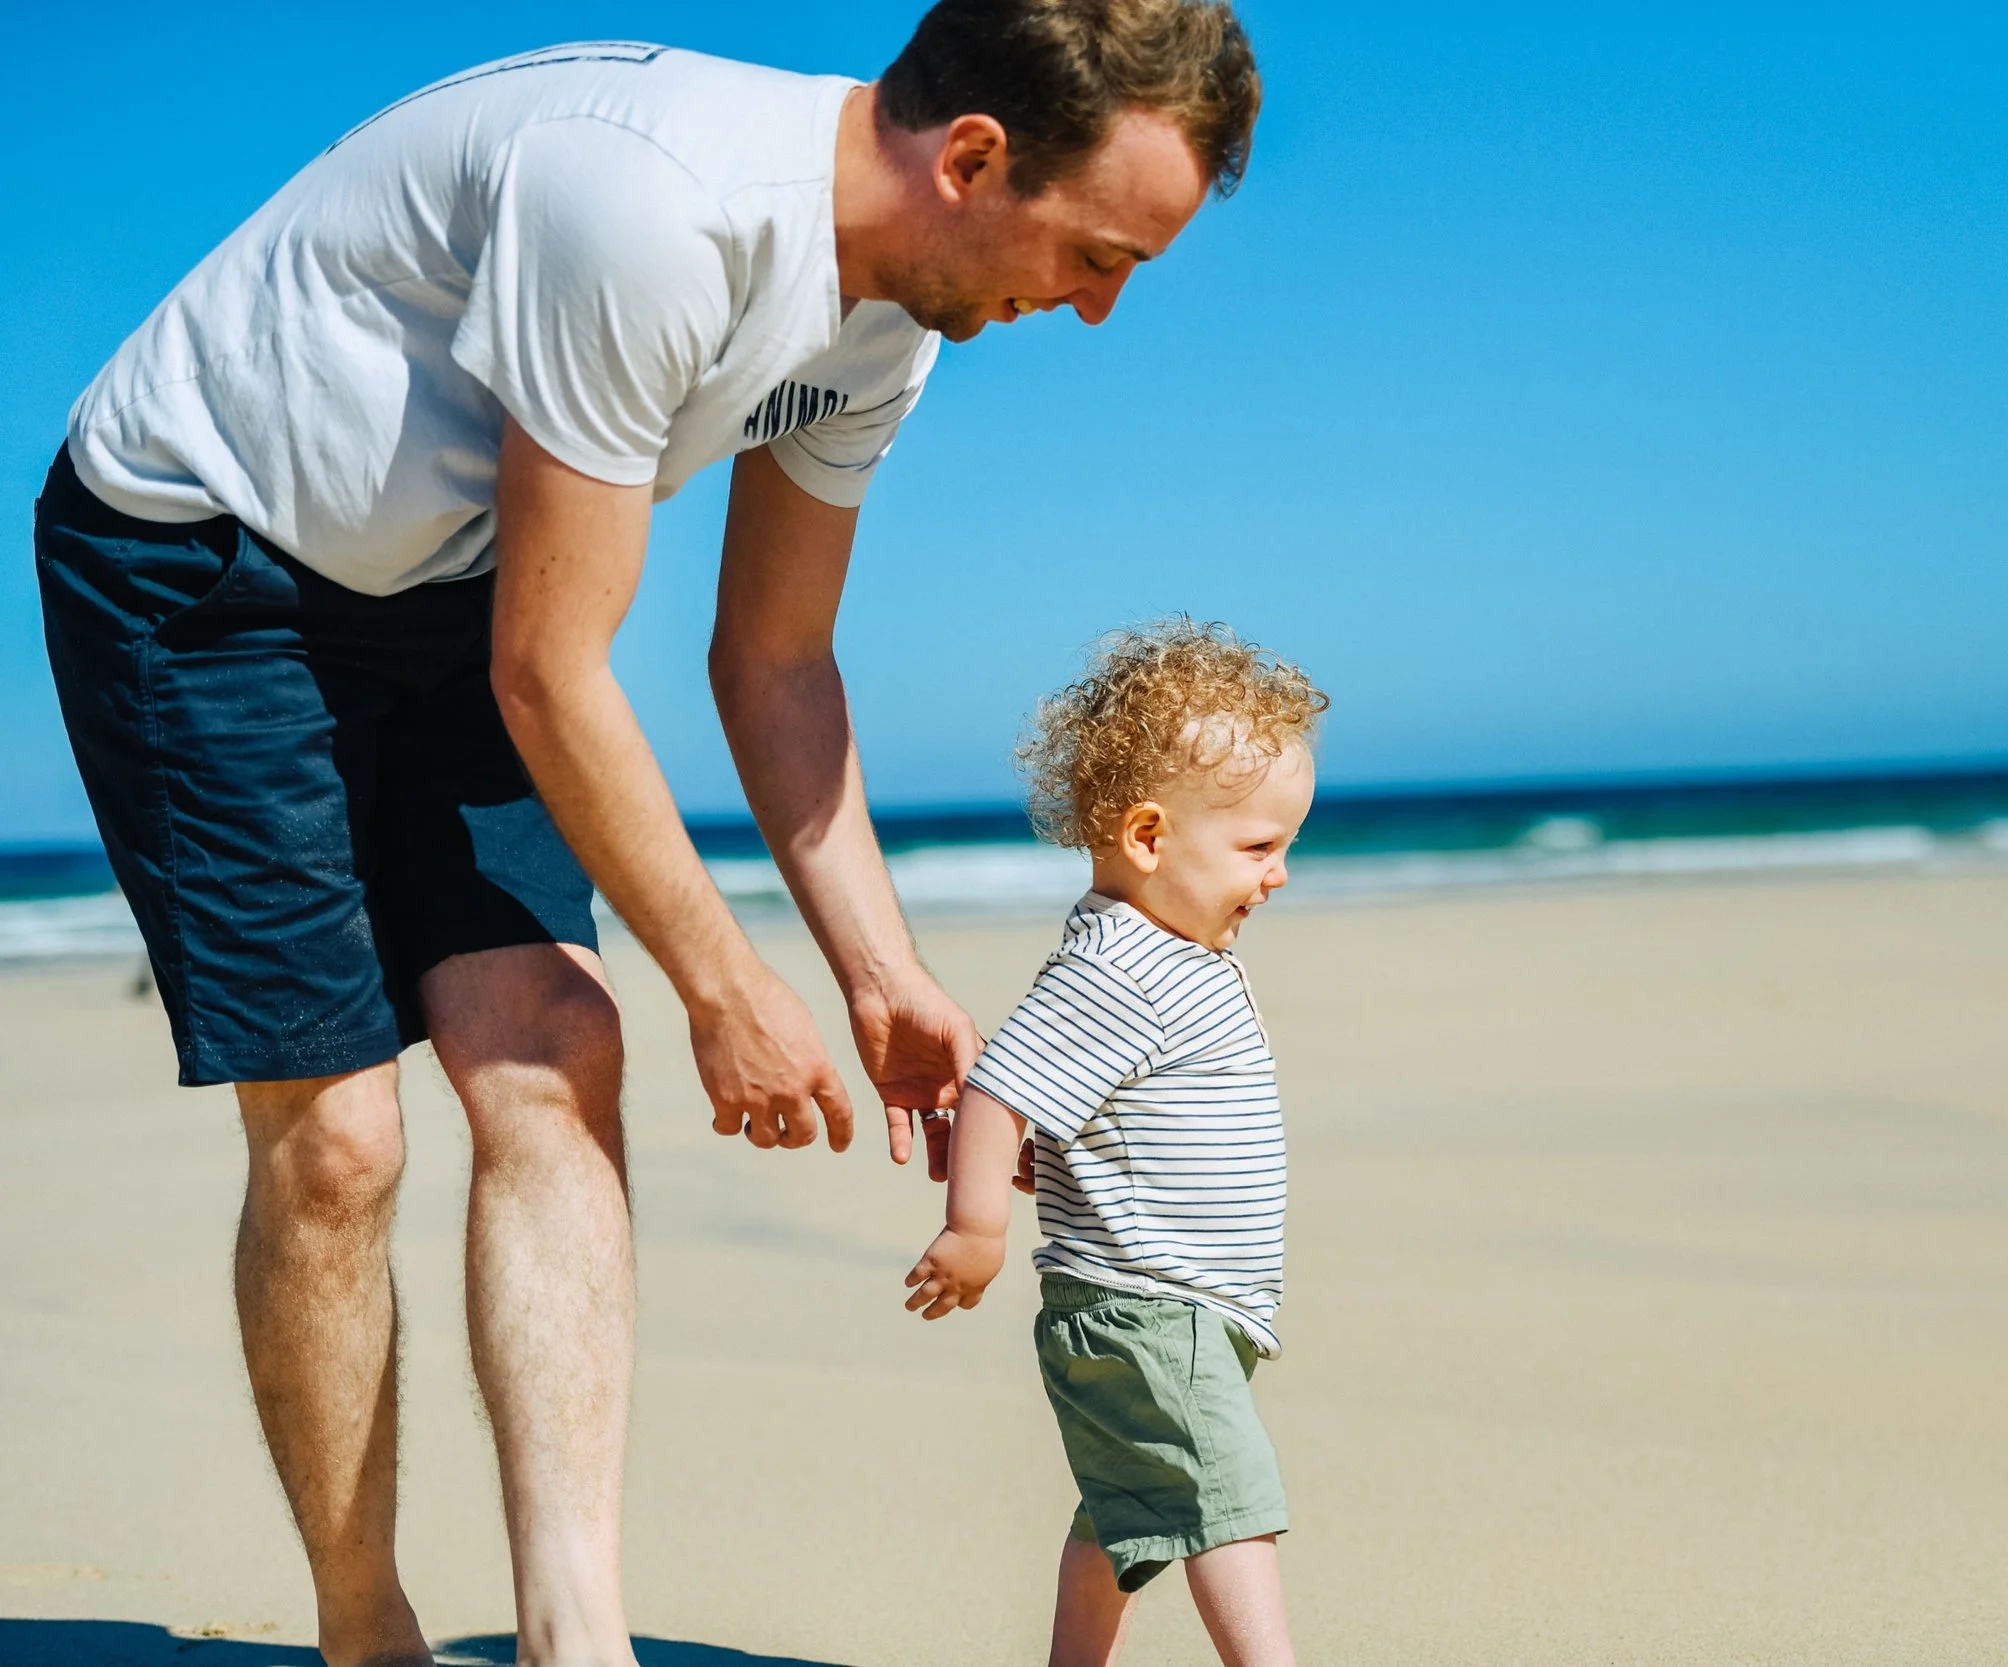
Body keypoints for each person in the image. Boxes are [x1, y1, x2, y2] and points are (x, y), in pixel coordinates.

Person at [32, 5, 1260, 1664]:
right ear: (972, 160)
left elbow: (773, 658)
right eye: (1098, 254)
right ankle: (359, 1625)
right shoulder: (655, 211)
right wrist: (727, 982)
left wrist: (877, 973)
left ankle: (573, 1636)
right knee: (337, 1147)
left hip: (453, 576)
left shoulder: (891, 317)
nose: (1097, 307)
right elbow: (552, 670)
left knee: (554, 1048)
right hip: (202, 562)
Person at [905, 620, 1324, 1667]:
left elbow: (1064, 1103)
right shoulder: (1124, 964)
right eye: (1258, 846)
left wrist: (1058, 1154)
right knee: (1231, 1505)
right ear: (1147, 836)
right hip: (1148, 1303)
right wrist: (975, 1227)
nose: (1277, 875)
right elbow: (1001, 1085)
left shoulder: (1160, 949)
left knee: (1123, 1517)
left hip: (1180, 1304)